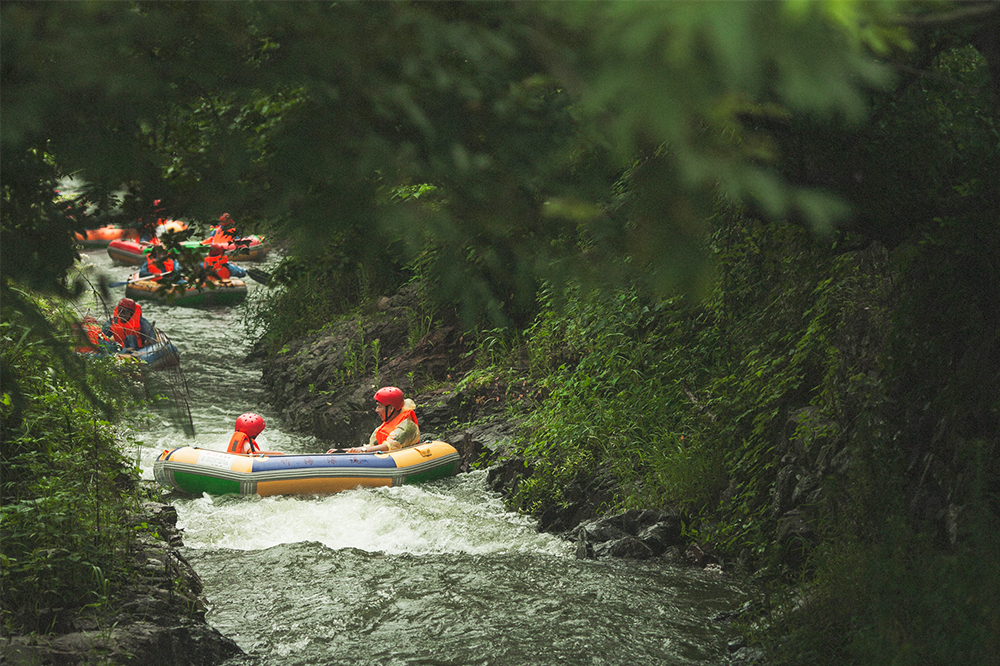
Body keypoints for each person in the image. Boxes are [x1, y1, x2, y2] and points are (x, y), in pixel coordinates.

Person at [329, 386, 420, 454]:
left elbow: (388, 446)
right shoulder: (386, 425)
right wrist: (341, 451)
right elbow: (372, 446)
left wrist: (362, 450)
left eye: (379, 406)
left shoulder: (407, 426)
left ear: (391, 408)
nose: (376, 410)